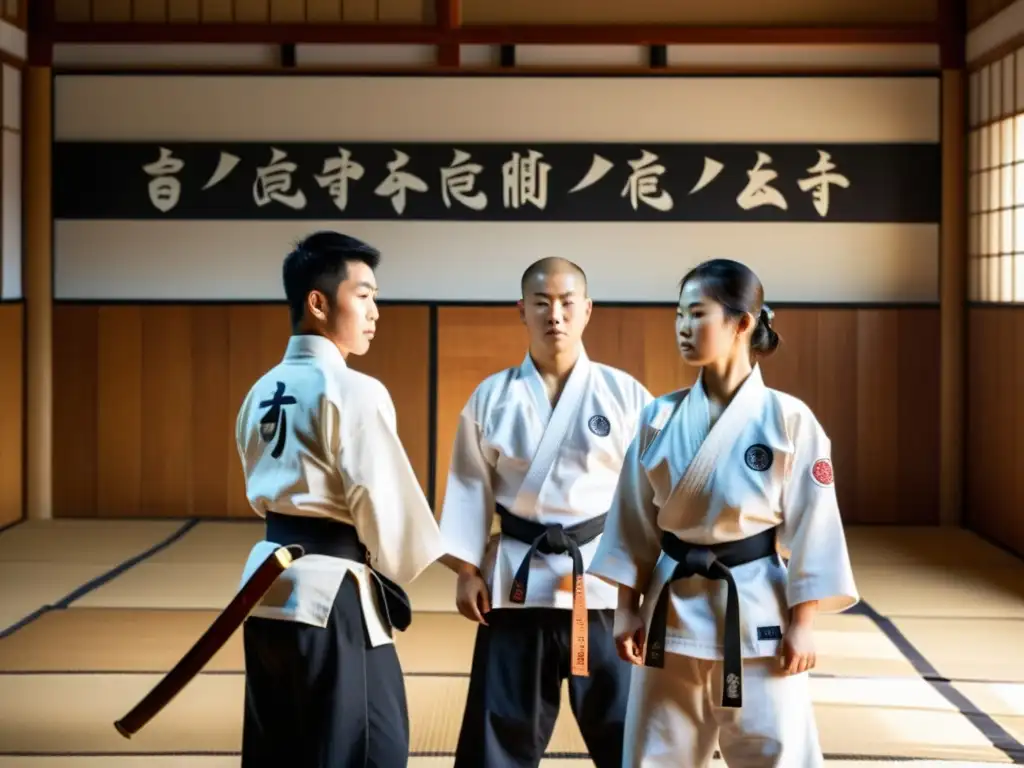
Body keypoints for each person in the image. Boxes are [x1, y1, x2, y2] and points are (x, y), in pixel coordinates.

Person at [587, 258, 860, 767]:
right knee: (655, 754)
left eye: (697, 314)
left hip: (757, 612)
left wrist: (804, 622)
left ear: (742, 323)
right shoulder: (658, 416)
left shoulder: (788, 419)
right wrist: (626, 606)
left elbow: (815, 528)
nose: (683, 328)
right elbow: (632, 524)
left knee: (777, 753)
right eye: (678, 315)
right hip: (669, 614)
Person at [234, 230, 445, 767]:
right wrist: (393, 567)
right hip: (335, 596)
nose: (376, 310)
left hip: (264, 588)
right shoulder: (354, 390)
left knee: (281, 744)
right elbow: (386, 512)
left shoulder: (260, 389)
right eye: (365, 294)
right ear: (318, 302)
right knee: (368, 747)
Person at [438, 257, 654, 768]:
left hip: (603, 582)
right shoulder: (491, 397)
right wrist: (467, 571)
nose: (554, 314)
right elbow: (469, 486)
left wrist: (645, 587)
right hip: (517, 586)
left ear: (587, 310)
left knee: (628, 734)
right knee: (499, 735)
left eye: (566, 302)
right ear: (522, 310)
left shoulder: (625, 395)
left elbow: (652, 498)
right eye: (541, 303)